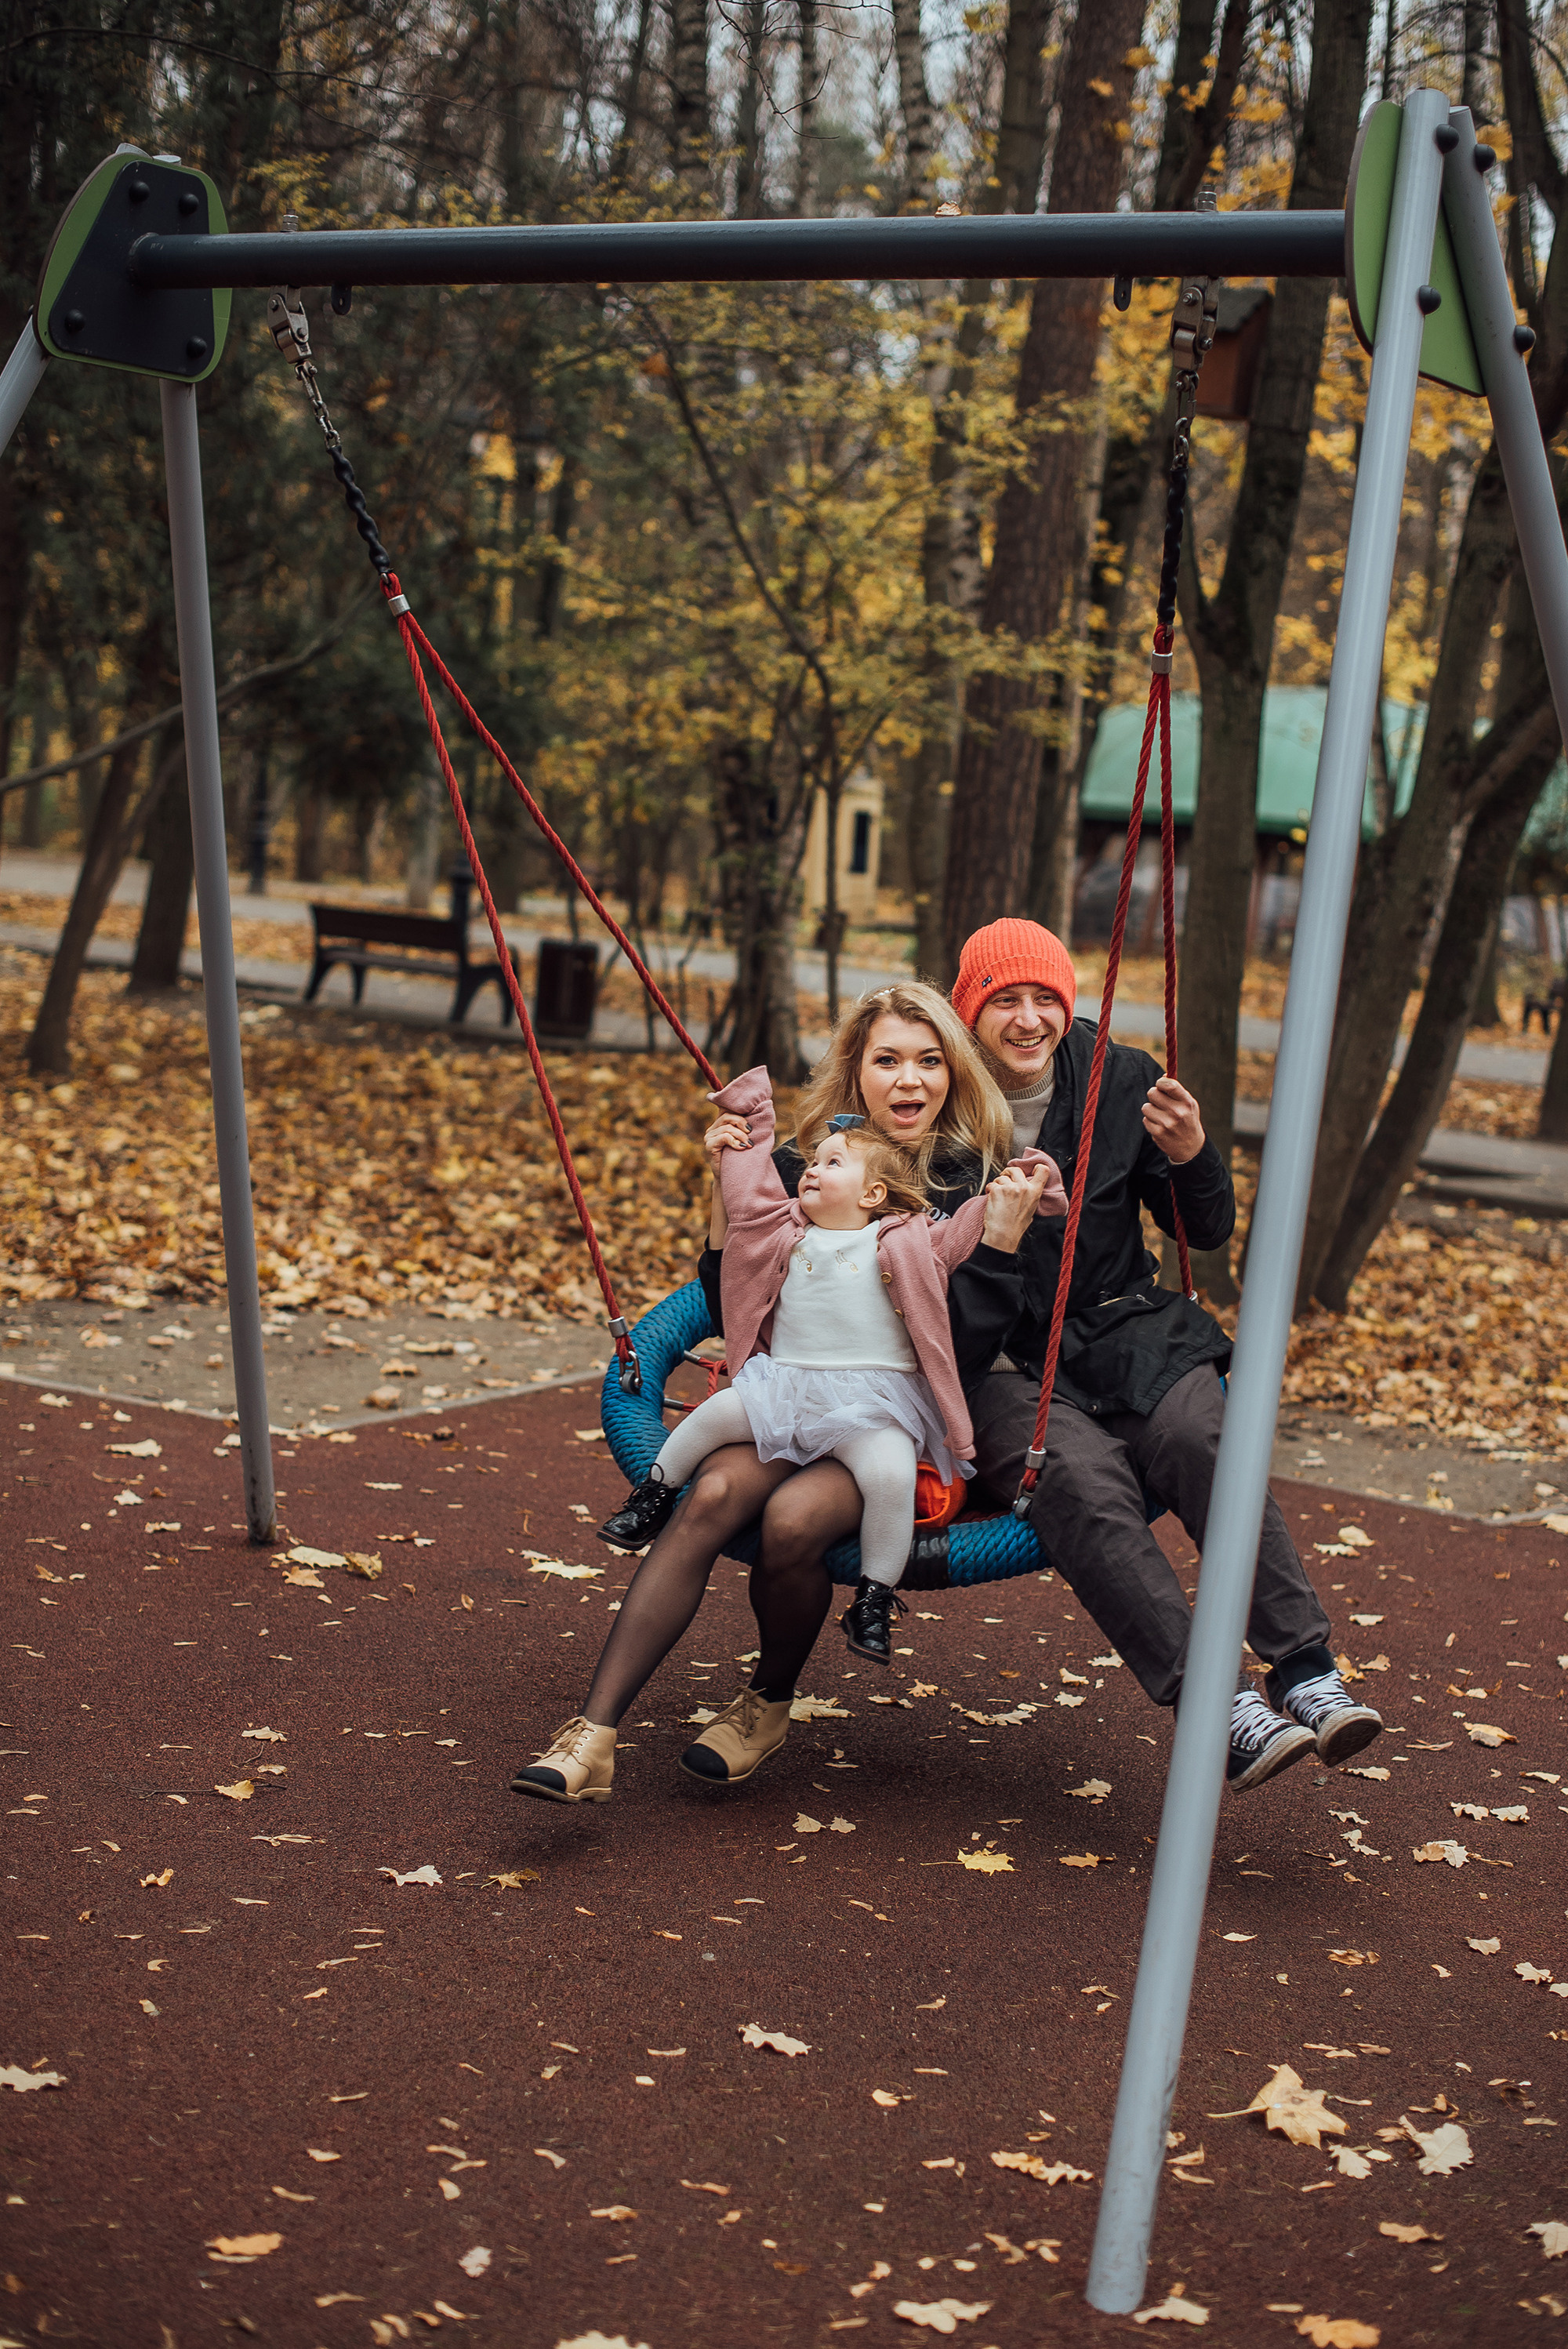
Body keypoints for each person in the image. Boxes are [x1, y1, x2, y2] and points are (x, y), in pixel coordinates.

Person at [509, 982, 1048, 1805]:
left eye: (929, 1060)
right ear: (855, 1071)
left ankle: (766, 1697)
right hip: (788, 1391)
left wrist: (1003, 1241)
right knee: (712, 1488)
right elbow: (733, 1295)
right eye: (887, 1059)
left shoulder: (977, 1182)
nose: (909, 1079)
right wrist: (722, 1191)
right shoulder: (805, 1166)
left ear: (953, 1072)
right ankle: (593, 1733)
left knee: (794, 1519)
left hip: (888, 1416)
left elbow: (968, 1353)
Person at [945, 916, 1383, 1790]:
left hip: (1119, 1325)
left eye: (1044, 999)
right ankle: (1214, 1702)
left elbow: (1203, 1228)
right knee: (1078, 1478)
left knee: (1201, 1436)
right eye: (1004, 1000)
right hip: (993, 1359)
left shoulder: (1120, 1077)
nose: (1027, 1019)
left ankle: (1301, 1666)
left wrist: (1190, 1157)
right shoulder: (937, 1094)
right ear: (969, 1012)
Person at [597, 1066, 1064, 1658]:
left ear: (873, 1194)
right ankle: (655, 1496)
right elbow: (746, 1191)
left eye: (833, 1163)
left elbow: (975, 1222)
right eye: (813, 1162)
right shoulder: (782, 1231)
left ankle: (874, 1597)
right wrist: (751, 1122)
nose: (813, 1169)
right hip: (784, 1386)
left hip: (873, 1402)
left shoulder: (912, 1240)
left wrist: (1023, 1182)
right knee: (709, 1421)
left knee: (891, 1478)